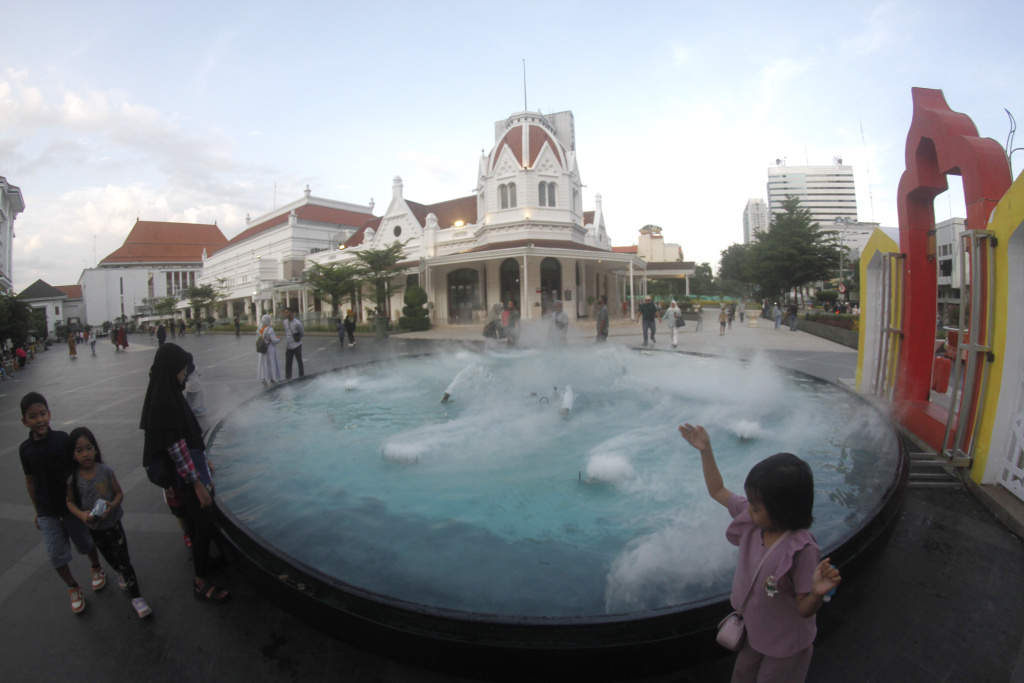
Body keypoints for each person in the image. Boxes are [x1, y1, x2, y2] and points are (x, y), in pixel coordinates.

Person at [678, 423, 841, 682]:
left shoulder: (802, 549)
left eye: (756, 506)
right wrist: (705, 450)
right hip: (754, 633)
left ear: (782, 510)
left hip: (786, 645)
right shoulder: (755, 521)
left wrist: (817, 593)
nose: (749, 510)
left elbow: (804, 608)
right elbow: (717, 490)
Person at [140, 343, 230, 604]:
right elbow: (176, 447)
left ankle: (205, 563)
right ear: (171, 369)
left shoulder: (165, 391)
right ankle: (200, 581)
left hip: (189, 468)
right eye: (181, 370)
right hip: (186, 476)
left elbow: (188, 434)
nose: (184, 375)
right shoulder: (165, 400)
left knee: (199, 520)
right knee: (203, 523)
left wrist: (204, 459)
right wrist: (197, 483)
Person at [19, 392, 106, 614]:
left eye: (42, 414)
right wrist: (37, 511)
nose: (39, 420)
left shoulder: (62, 439)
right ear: (24, 421)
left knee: (85, 543)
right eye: (32, 416)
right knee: (55, 555)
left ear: (49, 414)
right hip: (47, 511)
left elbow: (78, 470)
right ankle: (73, 586)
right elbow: (30, 481)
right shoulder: (25, 450)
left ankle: (96, 567)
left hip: (71, 507)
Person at [65, 427, 152, 618]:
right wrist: (81, 515)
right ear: (73, 454)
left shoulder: (105, 472)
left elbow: (119, 493)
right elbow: (69, 501)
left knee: (124, 560)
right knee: (110, 557)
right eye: (79, 450)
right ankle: (119, 573)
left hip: (113, 524)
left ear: (95, 449)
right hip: (94, 528)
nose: (85, 454)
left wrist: (112, 506)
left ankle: (136, 597)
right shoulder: (73, 479)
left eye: (88, 448)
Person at [256, 314, 282, 386]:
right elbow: (274, 340)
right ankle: (273, 378)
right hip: (269, 350)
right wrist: (279, 339)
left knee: (263, 364)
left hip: (262, 349)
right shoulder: (269, 329)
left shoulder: (259, 329)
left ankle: (263, 378)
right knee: (271, 363)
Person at [282, 307, 305, 380]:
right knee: (288, 362)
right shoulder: (285, 322)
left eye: (287, 312)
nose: (285, 314)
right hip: (289, 345)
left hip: (296, 344)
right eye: (285, 312)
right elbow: (286, 332)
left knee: (299, 361)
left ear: (292, 313)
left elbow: (302, 333)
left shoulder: (297, 323)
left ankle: (301, 376)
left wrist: (297, 339)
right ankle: (288, 377)